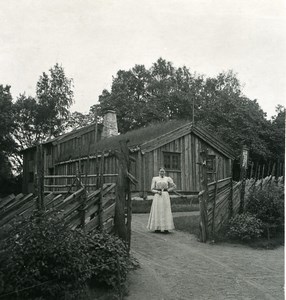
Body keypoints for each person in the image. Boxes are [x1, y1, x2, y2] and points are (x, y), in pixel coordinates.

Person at [147, 167, 176, 233]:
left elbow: (174, 186)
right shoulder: (155, 178)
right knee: (158, 209)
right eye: (161, 171)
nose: (162, 172)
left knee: (165, 209)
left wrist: (168, 190)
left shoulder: (168, 178)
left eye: (163, 171)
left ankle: (166, 228)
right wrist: (157, 192)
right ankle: (157, 227)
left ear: (165, 172)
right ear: (159, 172)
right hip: (158, 195)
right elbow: (152, 189)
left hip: (165, 195)